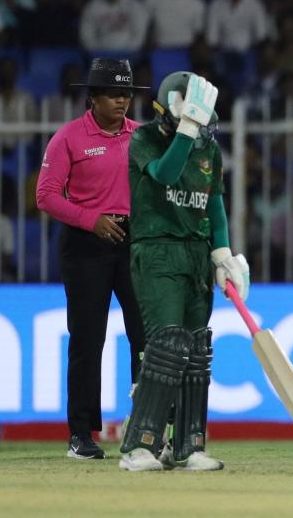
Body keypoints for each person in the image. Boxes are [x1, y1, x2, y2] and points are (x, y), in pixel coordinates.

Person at [117, 71, 249, 471]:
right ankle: (139, 445)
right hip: (157, 250)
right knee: (166, 345)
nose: (204, 122)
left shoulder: (211, 149)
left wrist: (223, 254)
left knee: (195, 350)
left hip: (196, 253)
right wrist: (186, 131)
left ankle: (188, 446)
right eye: (195, 115)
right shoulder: (143, 139)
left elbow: (215, 205)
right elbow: (165, 174)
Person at [35, 58, 148, 460]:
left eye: (127, 94)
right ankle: (81, 435)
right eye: (114, 94)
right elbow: (45, 195)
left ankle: (146, 430)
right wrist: (91, 220)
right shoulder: (68, 138)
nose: (123, 101)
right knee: (88, 340)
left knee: (145, 338)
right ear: (93, 98)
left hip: (133, 242)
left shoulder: (142, 136)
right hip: (86, 246)